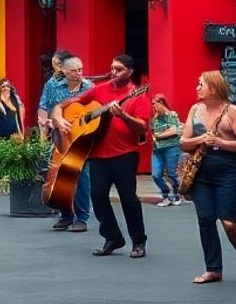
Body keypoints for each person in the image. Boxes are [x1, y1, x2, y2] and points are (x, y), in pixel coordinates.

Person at [53, 54, 153, 257]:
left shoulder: (138, 95)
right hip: (98, 153)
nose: (113, 72)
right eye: (112, 68)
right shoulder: (100, 89)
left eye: (118, 69)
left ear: (129, 72)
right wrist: (58, 119)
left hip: (124, 154)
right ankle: (113, 237)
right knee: (97, 197)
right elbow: (65, 105)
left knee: (128, 199)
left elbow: (143, 127)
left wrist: (123, 115)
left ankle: (138, 241)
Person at [179, 70, 236, 284]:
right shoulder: (195, 110)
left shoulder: (232, 111)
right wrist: (202, 138)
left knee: (230, 222)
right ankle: (213, 268)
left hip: (228, 171)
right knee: (205, 220)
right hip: (201, 172)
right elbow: (183, 142)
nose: (197, 88)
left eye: (201, 84)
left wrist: (221, 143)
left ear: (214, 87)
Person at [40, 54, 91, 231]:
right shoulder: (52, 86)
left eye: (81, 70)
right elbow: (43, 106)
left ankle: (82, 217)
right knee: (61, 174)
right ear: (64, 71)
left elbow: (94, 109)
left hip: (82, 137)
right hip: (60, 136)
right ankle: (65, 214)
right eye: (74, 70)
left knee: (80, 175)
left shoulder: (89, 87)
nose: (79, 73)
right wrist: (45, 120)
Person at [149, 94, 184, 206]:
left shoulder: (171, 115)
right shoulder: (154, 119)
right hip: (157, 149)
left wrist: (160, 135)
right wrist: (154, 137)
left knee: (171, 173)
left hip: (171, 147)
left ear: (161, 103)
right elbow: (152, 132)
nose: (154, 107)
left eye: (155, 104)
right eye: (153, 104)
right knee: (156, 174)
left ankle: (177, 194)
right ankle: (166, 195)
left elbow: (174, 130)